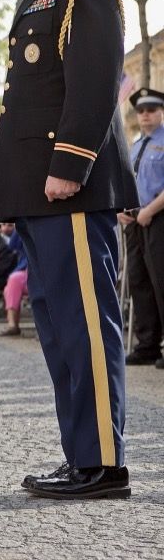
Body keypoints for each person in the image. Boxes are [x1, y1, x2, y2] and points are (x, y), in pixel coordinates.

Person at [0, 0, 137, 499]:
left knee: (84, 324)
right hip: (40, 195)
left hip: (69, 190)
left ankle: (104, 463)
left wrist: (71, 163)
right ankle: (82, 455)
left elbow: (96, 81)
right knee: (56, 326)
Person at [120, 88, 164, 367]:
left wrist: (149, 210)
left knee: (161, 280)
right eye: (141, 111)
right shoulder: (136, 145)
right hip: (134, 221)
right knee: (139, 281)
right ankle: (148, 344)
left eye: (151, 110)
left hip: (158, 217)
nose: (145, 115)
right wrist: (122, 210)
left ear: (161, 112)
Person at [0, 223, 30, 337]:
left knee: (14, 280)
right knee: (11, 284)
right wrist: (19, 223)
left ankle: (13, 325)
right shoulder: (23, 227)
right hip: (26, 271)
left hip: (41, 271)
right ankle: (12, 324)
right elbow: (12, 245)